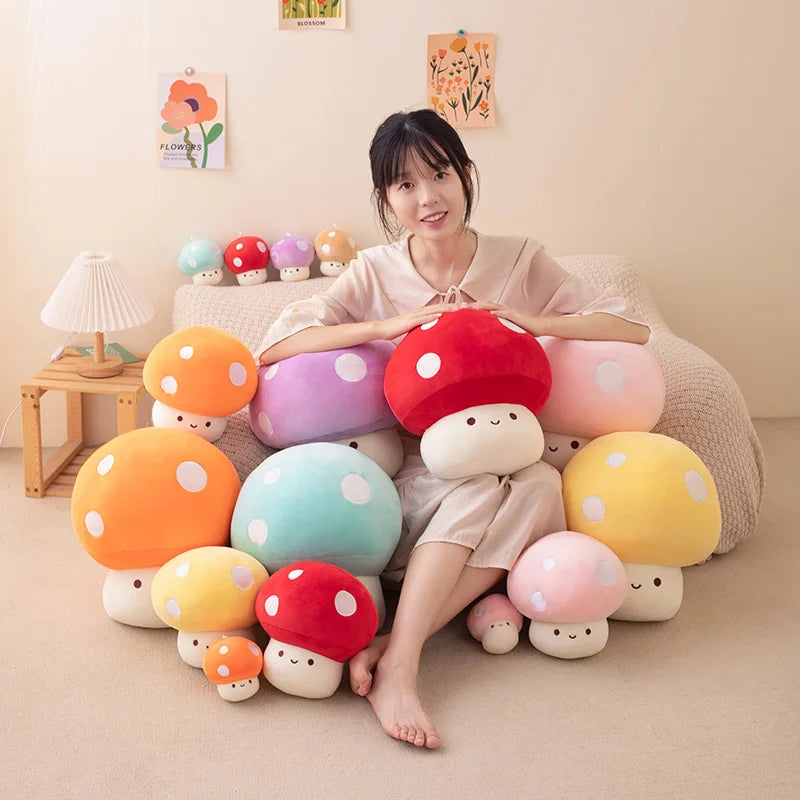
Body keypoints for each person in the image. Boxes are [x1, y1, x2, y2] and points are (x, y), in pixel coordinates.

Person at [257, 109, 650, 749]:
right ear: (385, 198)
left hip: (505, 464)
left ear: (466, 174)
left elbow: (629, 327)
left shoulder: (519, 259)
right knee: (484, 484)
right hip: (422, 484)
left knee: (543, 484)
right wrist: (386, 327)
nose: (428, 198)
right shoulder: (373, 272)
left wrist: (528, 319)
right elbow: (277, 345)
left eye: (440, 174)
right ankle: (404, 671)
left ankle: (395, 647)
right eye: (405, 185)